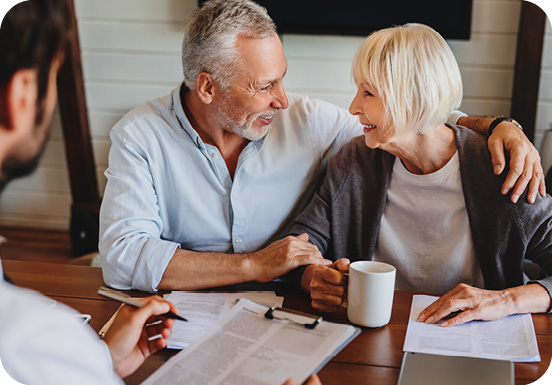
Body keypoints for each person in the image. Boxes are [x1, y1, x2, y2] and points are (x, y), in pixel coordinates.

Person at [99, 0, 545, 293]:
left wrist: (498, 126)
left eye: (283, 76)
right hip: (181, 317)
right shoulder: (140, 135)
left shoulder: (312, 124)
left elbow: (414, 122)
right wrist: (263, 266)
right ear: (207, 88)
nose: (283, 98)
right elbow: (121, 256)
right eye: (264, 85)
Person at [289, 23, 552, 326]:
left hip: (472, 342)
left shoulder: (498, 169)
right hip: (376, 336)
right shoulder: (355, 160)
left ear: (412, 98)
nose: (353, 107)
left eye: (368, 93)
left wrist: (506, 300)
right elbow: (298, 244)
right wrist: (313, 277)